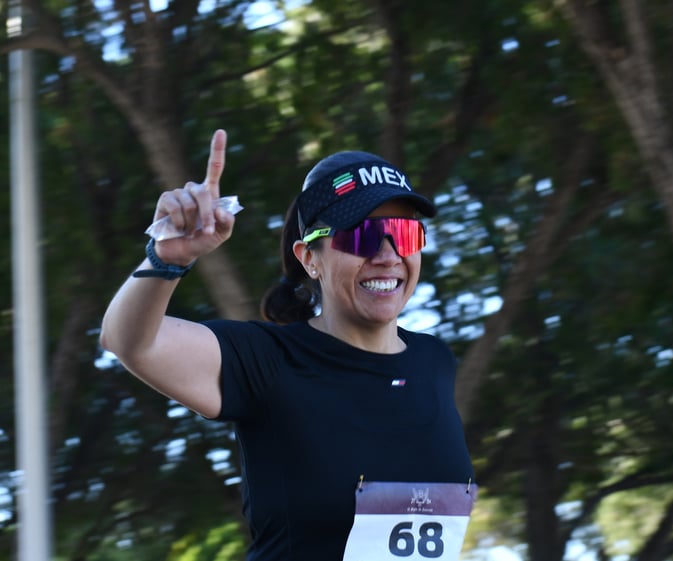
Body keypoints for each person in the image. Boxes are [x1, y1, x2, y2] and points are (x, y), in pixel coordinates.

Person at [100, 130, 476, 560]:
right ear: (308, 258)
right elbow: (128, 341)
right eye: (362, 238)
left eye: (404, 235)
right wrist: (168, 258)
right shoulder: (268, 359)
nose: (388, 256)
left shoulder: (435, 362)